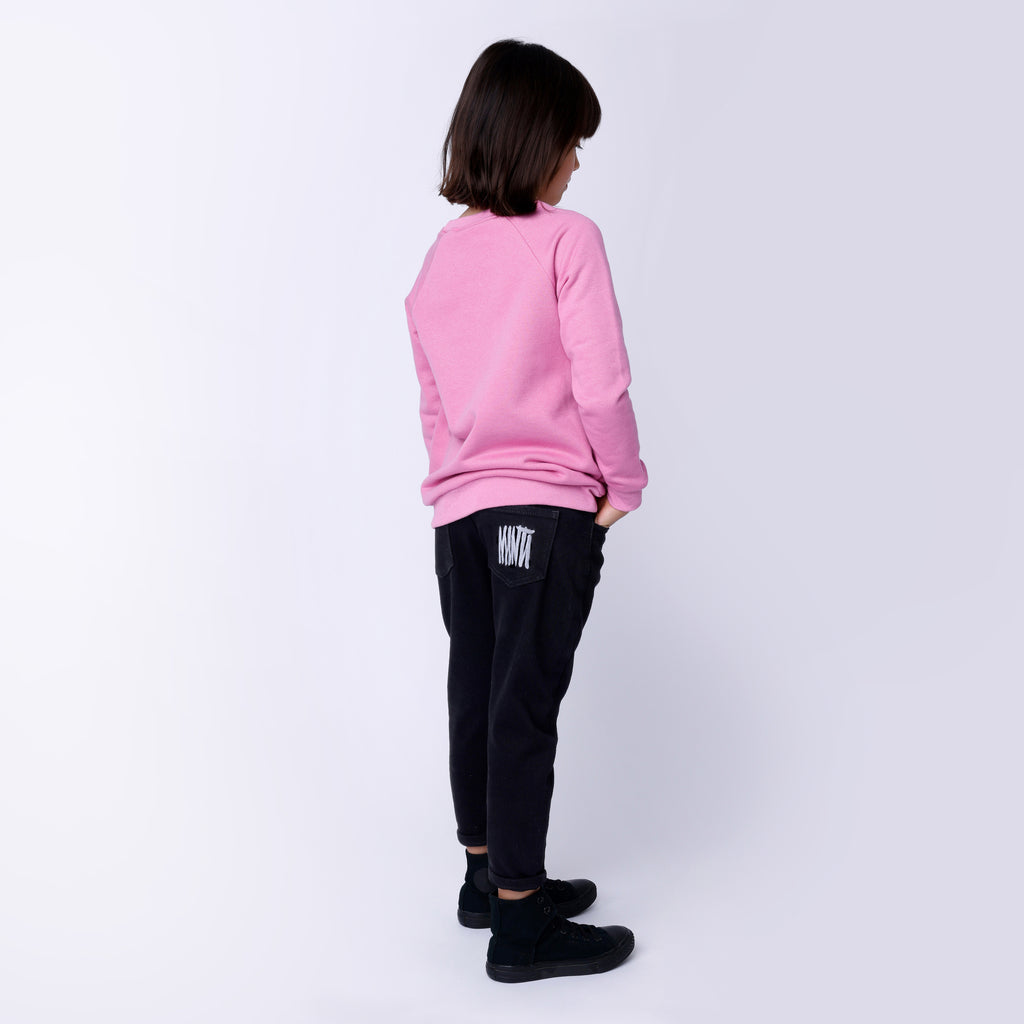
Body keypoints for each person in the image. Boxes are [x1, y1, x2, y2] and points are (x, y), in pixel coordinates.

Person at [404, 39, 648, 983]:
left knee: (476, 689)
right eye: (572, 142)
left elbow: (434, 401)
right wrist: (622, 486)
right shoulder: (564, 238)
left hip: (459, 515)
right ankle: (520, 925)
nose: (577, 164)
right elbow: (602, 382)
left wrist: (452, 490)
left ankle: (487, 877)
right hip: (543, 510)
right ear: (536, 138)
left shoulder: (440, 258)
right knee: (523, 706)